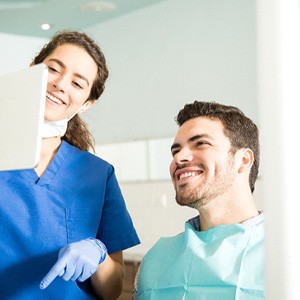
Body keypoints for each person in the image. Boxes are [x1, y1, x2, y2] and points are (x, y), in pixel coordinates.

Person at [0, 31, 140, 300]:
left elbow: (111, 291)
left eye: (78, 83)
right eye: (53, 69)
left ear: (87, 103)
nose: (60, 84)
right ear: (33, 71)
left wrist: (98, 254)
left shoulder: (98, 174)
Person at [136, 101, 264, 299]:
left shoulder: (283, 252)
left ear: (243, 160)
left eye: (200, 143)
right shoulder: (156, 261)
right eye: (175, 150)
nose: (179, 158)